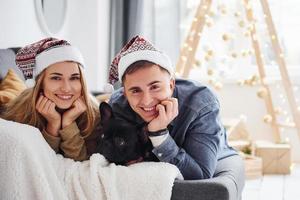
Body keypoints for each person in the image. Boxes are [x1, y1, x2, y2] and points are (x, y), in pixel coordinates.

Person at [108, 35, 242, 180]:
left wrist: (159, 133)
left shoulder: (201, 104)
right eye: (135, 91)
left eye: (155, 87)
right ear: (125, 94)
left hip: (215, 155)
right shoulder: (117, 106)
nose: (146, 101)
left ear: (171, 85)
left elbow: (199, 175)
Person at [0, 37, 101, 161]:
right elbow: (39, 167)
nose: (66, 88)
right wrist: (52, 126)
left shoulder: (94, 114)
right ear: (41, 83)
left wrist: (68, 124)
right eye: (56, 78)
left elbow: (81, 166)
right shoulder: (21, 112)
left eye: (74, 78)